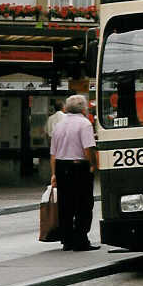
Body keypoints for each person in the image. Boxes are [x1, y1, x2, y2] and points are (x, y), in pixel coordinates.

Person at [50, 95, 100, 251]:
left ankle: (67, 240)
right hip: (79, 167)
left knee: (65, 205)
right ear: (83, 108)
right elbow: (88, 148)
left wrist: (54, 174)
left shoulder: (59, 125)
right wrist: (93, 165)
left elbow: (53, 153)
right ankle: (81, 240)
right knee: (83, 204)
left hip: (61, 166)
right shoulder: (85, 124)